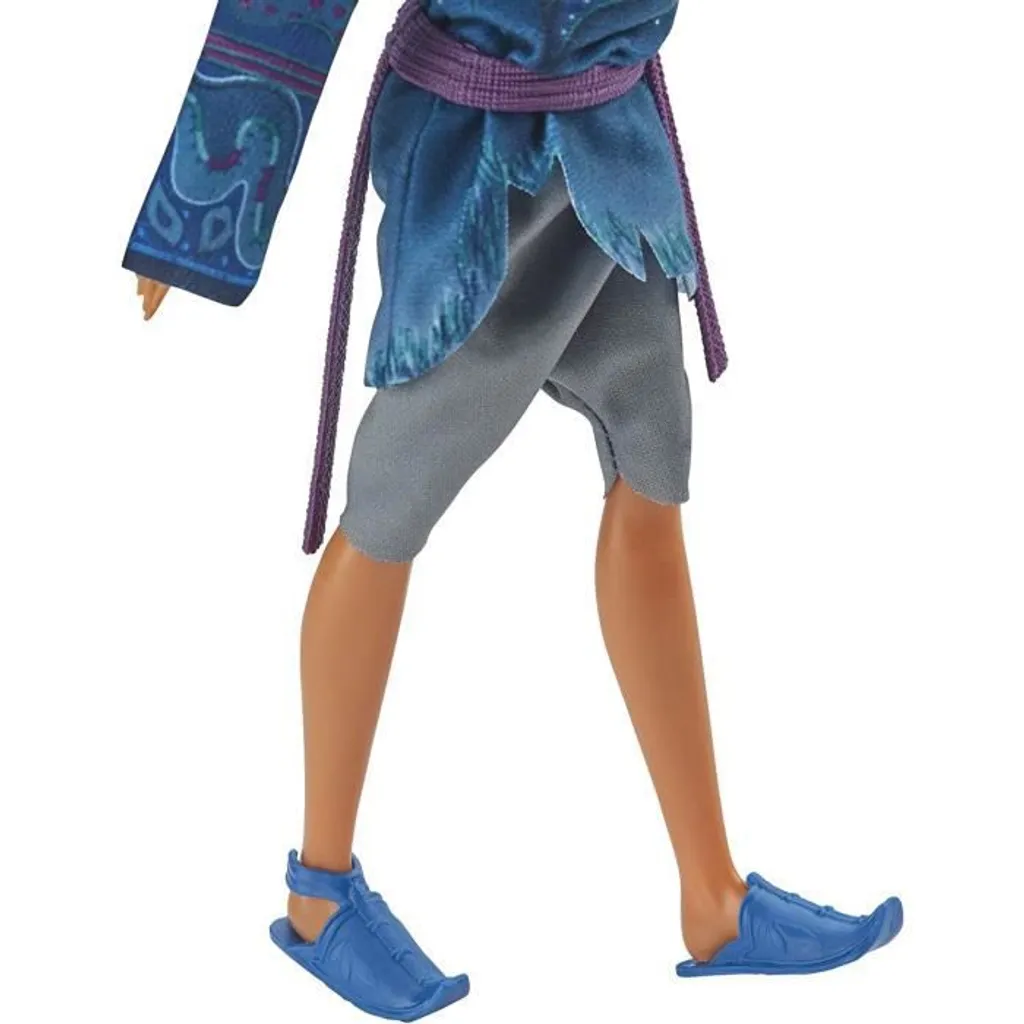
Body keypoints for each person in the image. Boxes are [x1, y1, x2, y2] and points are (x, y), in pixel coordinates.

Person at [127, 2, 902, 1019]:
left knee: (652, 473)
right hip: (473, 172)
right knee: (392, 499)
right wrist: (196, 218)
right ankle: (318, 894)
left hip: (614, 152)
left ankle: (715, 900)